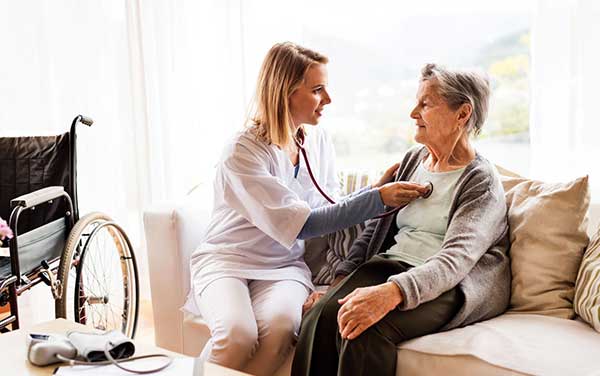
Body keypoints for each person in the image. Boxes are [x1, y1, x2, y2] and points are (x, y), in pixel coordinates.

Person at [184, 42, 429, 376]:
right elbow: (304, 224)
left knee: (282, 327)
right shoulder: (243, 152)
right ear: (285, 92)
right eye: (317, 90)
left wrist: (374, 191)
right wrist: (378, 199)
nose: (327, 99)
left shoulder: (315, 140)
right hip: (228, 261)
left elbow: (331, 204)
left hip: (283, 266)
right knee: (237, 335)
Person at [292, 63, 511, 376]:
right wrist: (338, 284)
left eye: (425, 104)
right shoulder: (412, 161)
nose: (413, 113)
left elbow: (455, 261)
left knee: (362, 330)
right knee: (320, 317)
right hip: (392, 265)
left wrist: (390, 293)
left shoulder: (481, 182)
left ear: (462, 114)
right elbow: (374, 231)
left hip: (453, 285)